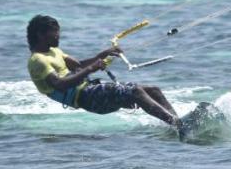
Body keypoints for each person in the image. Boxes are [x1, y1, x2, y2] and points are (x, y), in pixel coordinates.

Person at [26, 14, 180, 130]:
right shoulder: (38, 60)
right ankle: (177, 124)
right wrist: (91, 68)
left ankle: (178, 123)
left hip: (92, 90)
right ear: (41, 35)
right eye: (54, 32)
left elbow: (78, 64)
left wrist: (104, 54)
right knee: (135, 91)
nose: (58, 35)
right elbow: (59, 84)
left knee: (154, 91)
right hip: (86, 98)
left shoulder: (54, 51)